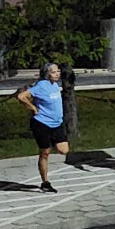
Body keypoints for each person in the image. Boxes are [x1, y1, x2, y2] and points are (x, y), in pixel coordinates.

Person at [16, 63, 69, 193]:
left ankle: (51, 142)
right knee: (45, 152)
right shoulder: (41, 86)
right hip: (42, 123)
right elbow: (21, 96)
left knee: (63, 150)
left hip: (57, 123)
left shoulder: (55, 85)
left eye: (58, 71)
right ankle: (45, 182)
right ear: (47, 74)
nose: (57, 74)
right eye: (54, 72)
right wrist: (33, 108)